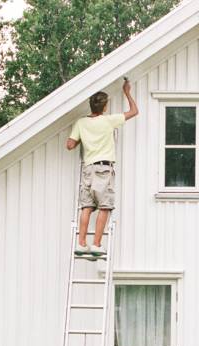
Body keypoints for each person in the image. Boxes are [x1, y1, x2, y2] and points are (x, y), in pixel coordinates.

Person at [65, 78, 139, 255]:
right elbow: (134, 111)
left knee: (87, 206)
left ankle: (81, 243)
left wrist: (80, 139)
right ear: (104, 107)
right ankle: (96, 244)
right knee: (104, 206)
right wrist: (127, 92)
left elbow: (69, 145)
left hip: (88, 169)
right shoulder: (108, 121)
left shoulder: (81, 123)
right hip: (103, 169)